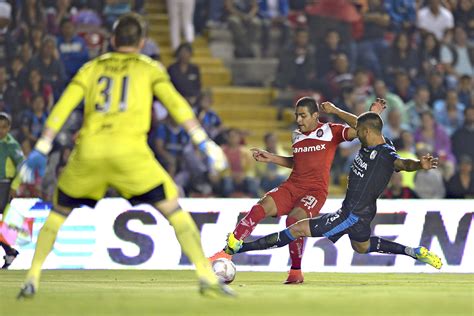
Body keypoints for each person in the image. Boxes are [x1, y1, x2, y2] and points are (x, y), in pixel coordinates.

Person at [16, 13, 233, 299]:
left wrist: (42, 147)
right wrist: (204, 142)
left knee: (58, 213)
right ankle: (206, 277)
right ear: (142, 42)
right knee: (174, 211)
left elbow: (63, 107)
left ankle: (32, 278)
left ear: (113, 40)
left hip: (89, 151)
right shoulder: (149, 68)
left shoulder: (91, 68)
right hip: (131, 153)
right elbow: (177, 105)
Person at [224, 102, 442, 272]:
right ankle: (414, 252)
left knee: (296, 229)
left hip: (351, 215)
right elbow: (364, 123)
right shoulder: (374, 139)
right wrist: (338, 110)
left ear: (365, 133)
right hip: (361, 214)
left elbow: (403, 164)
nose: (356, 133)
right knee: (362, 247)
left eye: (359, 131)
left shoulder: (386, 155)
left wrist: (418, 166)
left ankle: (242, 248)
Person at [210, 96, 383, 284]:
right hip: (292, 185)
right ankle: (226, 252)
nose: (298, 120)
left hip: (314, 191)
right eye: (296, 116)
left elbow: (362, 129)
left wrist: (338, 111)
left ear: (315, 115)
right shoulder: (296, 135)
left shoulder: (330, 131)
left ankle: (296, 271)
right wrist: (272, 158)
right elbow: (298, 162)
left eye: (303, 116)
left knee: (294, 220)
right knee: (260, 207)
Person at [0, 112, 24, 269]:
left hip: (4, 186)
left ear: (9, 128)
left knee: (4, 224)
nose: (1, 130)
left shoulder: (12, 145)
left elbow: (22, 167)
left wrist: (14, 187)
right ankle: (10, 252)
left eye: (4, 127)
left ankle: (10, 252)